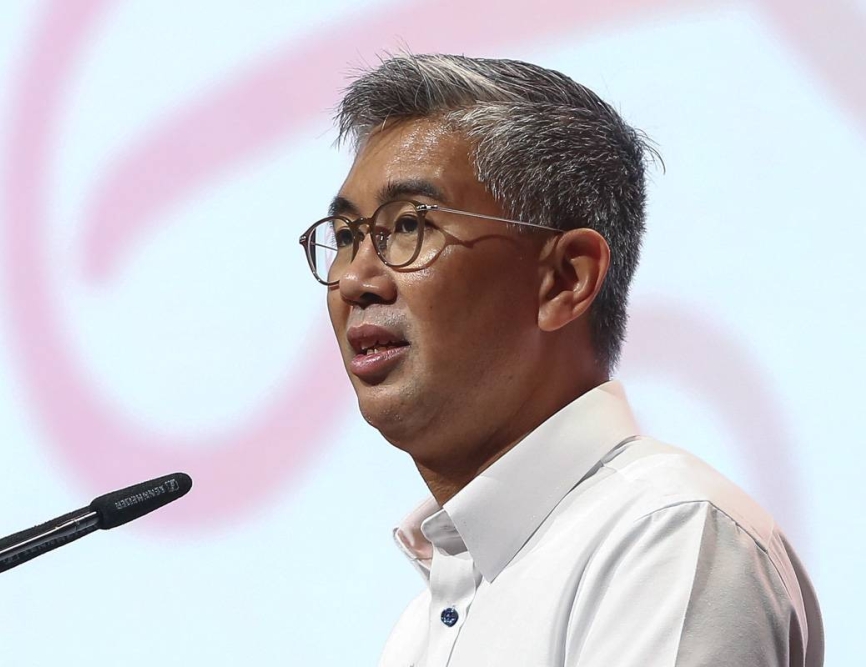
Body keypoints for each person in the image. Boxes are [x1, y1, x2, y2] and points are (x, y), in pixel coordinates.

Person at [298, 53, 824, 666]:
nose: (357, 278)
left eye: (409, 225)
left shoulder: (666, 539)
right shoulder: (427, 620)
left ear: (565, 280)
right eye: (346, 237)